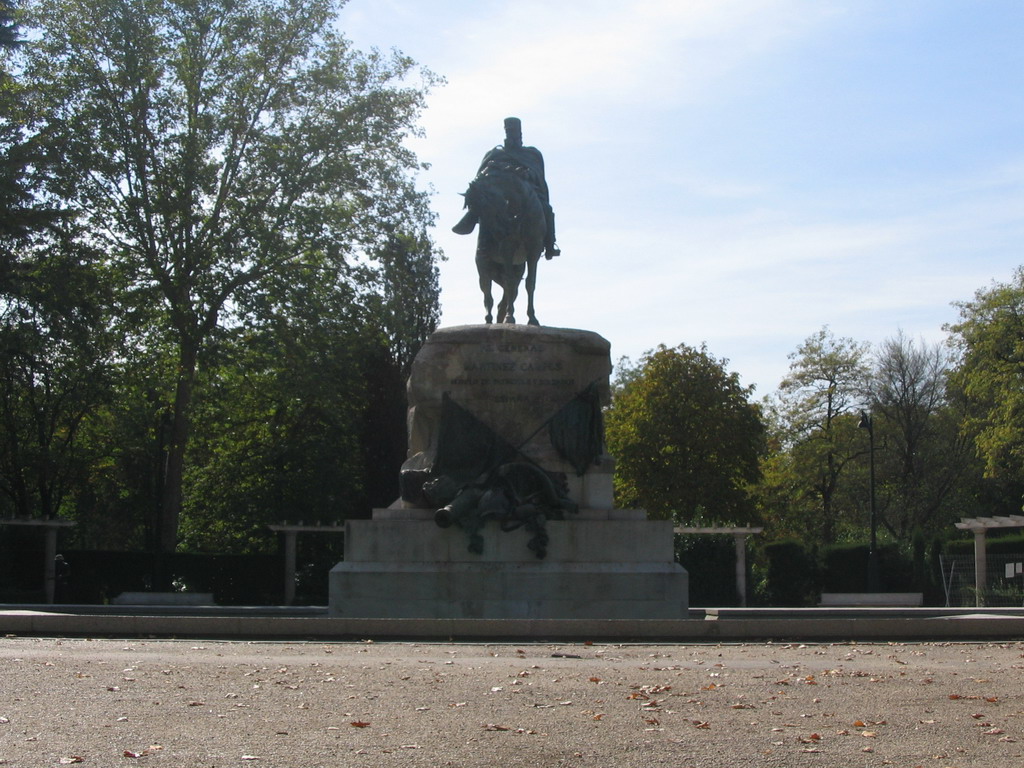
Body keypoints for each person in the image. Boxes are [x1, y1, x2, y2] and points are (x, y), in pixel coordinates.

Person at [453, 117, 560, 258]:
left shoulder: (532, 154)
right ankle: (481, 241)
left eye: (514, 131)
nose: (511, 133)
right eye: (509, 130)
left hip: (525, 195)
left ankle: (549, 244)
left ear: (520, 133)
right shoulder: (495, 154)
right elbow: (481, 177)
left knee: (546, 208)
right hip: (499, 196)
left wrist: (527, 175)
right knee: (485, 206)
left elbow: (539, 177)